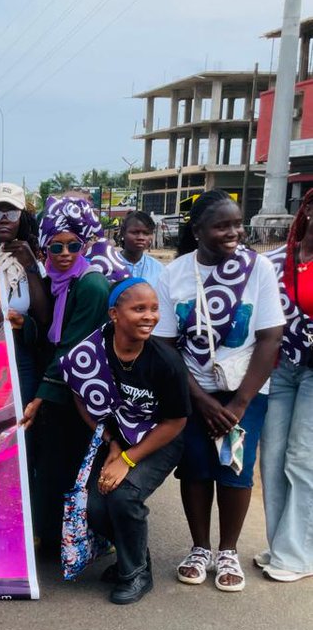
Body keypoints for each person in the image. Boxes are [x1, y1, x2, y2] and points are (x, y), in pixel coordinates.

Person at [155, 190, 283, 592]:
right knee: (195, 466)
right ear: (197, 231)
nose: (235, 232)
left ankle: (227, 550)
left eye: (238, 223)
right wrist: (202, 400)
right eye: (223, 225)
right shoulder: (173, 274)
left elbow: (269, 338)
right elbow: (165, 346)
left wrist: (239, 404)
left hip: (245, 392)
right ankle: (200, 548)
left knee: (235, 468)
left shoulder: (257, 268)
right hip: (191, 390)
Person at [58, 278, 190, 604]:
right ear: (115, 314)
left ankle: (135, 574)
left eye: (154, 309)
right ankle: (135, 556)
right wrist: (112, 442)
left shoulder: (166, 361)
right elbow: (80, 393)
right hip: (116, 435)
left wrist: (128, 459)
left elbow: (176, 422)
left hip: (159, 437)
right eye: (139, 309)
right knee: (93, 503)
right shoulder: (92, 351)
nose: (150, 316)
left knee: (124, 496)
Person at [20, 196, 111, 553]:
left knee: (64, 464)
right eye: (55, 246)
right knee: (53, 463)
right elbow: (49, 334)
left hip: (80, 392)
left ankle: (68, 541)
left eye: (73, 245)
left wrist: (40, 397)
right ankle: (54, 538)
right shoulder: (59, 282)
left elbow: (72, 347)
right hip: (63, 386)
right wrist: (23, 323)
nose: (64, 253)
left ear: (84, 244)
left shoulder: (90, 284)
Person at [258, 193, 313, 582]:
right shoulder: (274, 261)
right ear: (308, 210)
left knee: (303, 459)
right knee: (272, 457)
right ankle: (281, 544)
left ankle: (297, 554)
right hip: (280, 368)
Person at [0, 182, 50, 406]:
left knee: (19, 424)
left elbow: (44, 316)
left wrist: (30, 266)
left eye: (12, 212)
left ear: (22, 219)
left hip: (19, 357)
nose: (4, 218)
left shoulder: (31, 262)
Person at [118, 210, 163, 289]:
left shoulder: (158, 269)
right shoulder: (109, 264)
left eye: (146, 233)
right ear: (123, 233)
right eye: (135, 232)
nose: (141, 237)